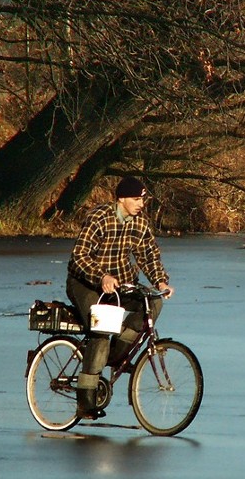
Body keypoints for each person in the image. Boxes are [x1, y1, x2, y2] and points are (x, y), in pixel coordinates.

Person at [66, 175, 173, 419]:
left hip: (121, 284)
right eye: (136, 199)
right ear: (122, 198)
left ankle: (114, 355)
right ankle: (85, 400)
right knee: (102, 329)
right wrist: (101, 277)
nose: (141, 204)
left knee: (152, 303)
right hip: (85, 282)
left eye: (143, 200)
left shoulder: (140, 223)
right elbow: (79, 256)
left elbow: (149, 254)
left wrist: (160, 281)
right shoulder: (99, 217)